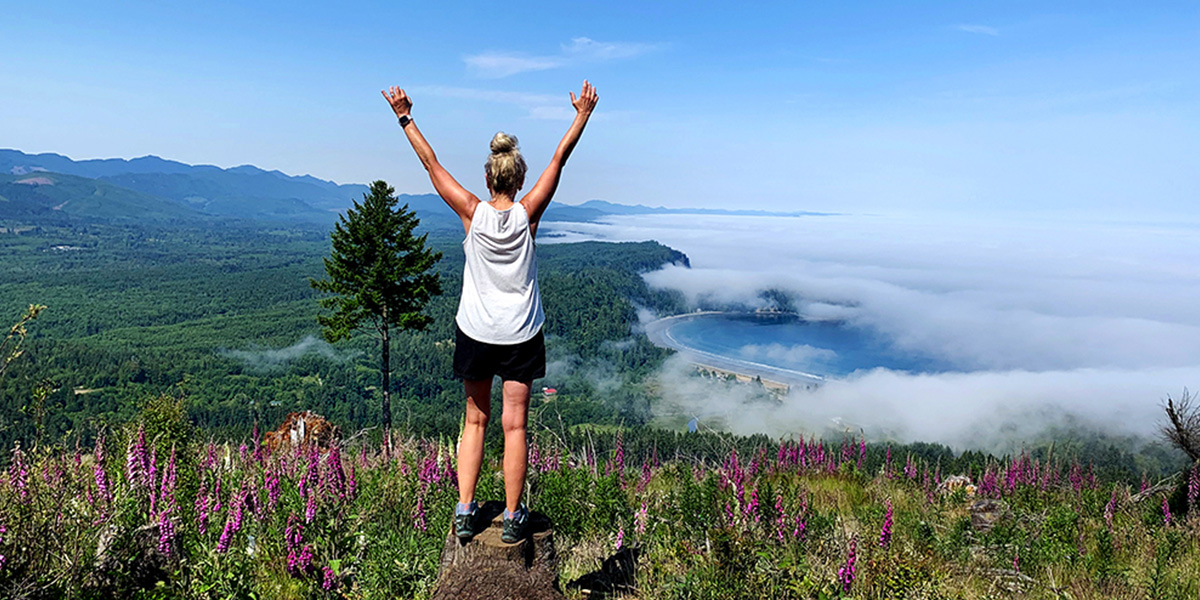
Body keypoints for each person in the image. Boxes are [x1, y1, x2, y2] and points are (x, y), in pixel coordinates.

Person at [382, 80, 599, 543]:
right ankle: (513, 516)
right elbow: (559, 159)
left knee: (474, 420)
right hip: (521, 333)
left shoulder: (471, 213)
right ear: (519, 180)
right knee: (515, 423)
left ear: (487, 179)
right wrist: (581, 115)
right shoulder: (529, 214)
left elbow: (430, 163)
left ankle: (465, 511)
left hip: (476, 331)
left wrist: (405, 116)